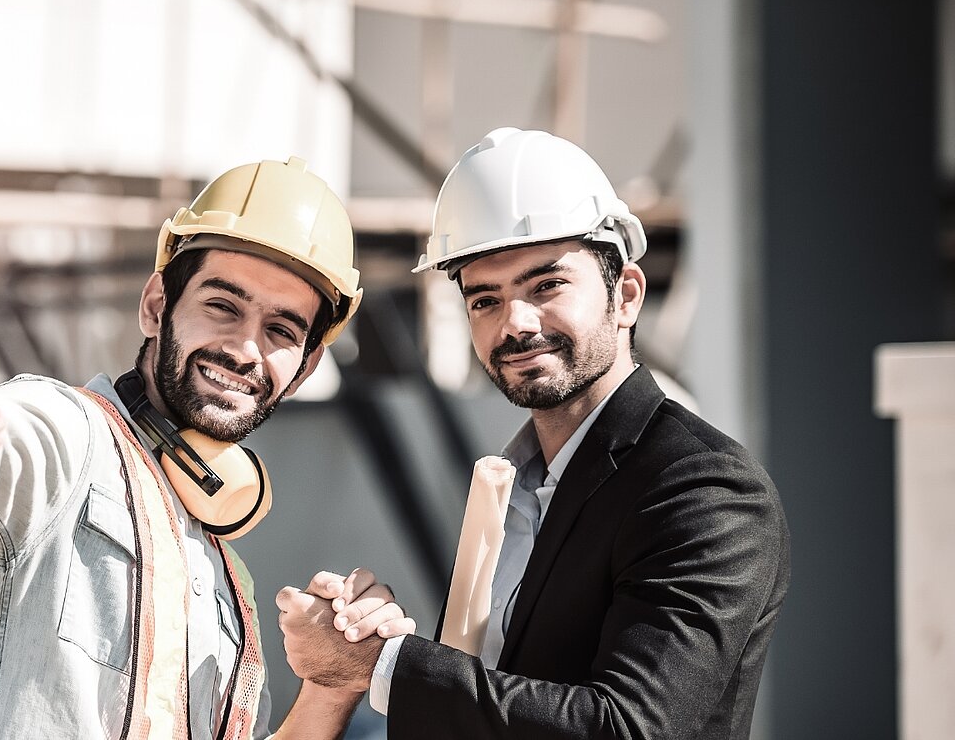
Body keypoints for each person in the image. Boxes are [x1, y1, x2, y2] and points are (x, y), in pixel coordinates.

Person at [276, 128, 791, 739]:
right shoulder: (512, 486)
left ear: (625, 295)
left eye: (546, 286)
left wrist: (387, 665)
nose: (515, 324)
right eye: (485, 300)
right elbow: (492, 702)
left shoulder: (703, 489)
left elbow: (627, 729)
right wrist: (370, 641)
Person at [0, 157, 415, 739]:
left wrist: (333, 687)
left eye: (282, 330)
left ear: (307, 367)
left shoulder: (225, 585)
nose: (244, 349)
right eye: (222, 306)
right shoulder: (70, 434)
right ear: (157, 306)